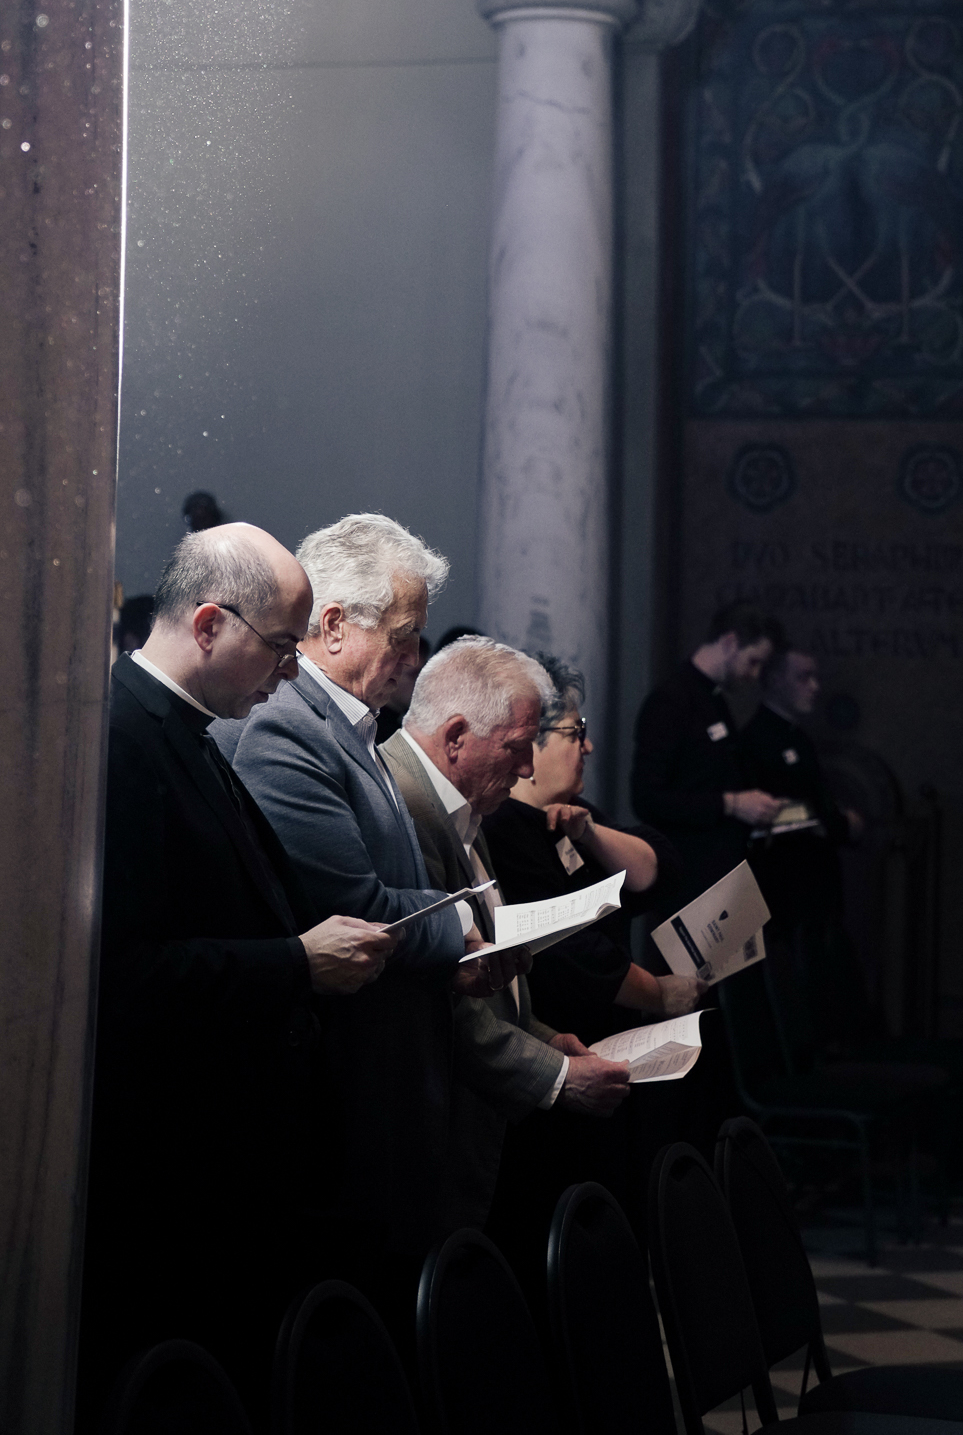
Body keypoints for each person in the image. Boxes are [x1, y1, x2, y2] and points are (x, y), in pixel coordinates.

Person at [81, 525, 394, 1420]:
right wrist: (297, 962)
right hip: (174, 1169)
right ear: (210, 624)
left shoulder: (192, 732)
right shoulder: (121, 736)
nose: (292, 673)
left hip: (234, 1156)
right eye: (283, 647)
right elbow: (125, 976)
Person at [226, 514, 515, 1332]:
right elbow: (353, 907)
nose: (416, 657)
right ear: (332, 625)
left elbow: (396, 891)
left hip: (391, 1095)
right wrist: (461, 931)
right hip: (346, 1104)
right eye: (404, 635)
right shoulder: (286, 727)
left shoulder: (353, 728)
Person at [379, 637, 632, 1222]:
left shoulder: (462, 802)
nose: (526, 769)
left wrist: (543, 1038)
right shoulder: (407, 808)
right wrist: (559, 1075)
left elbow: (488, 979)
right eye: (516, 748)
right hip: (430, 1139)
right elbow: (444, 1000)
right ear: (456, 737)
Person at [485, 656, 699, 1041]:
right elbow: (571, 950)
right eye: (575, 733)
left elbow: (661, 871)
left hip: (610, 1029)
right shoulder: (502, 827)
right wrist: (657, 994)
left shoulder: (573, 811)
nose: (589, 746)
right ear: (529, 743)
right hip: (563, 1040)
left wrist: (591, 835)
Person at [631, 603, 787, 907]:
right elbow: (646, 798)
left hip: (720, 878)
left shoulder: (714, 700)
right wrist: (732, 804)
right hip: (687, 882)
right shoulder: (671, 701)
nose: (754, 675)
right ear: (729, 642)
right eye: (753, 661)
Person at [738, 642, 862, 928]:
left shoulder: (798, 737)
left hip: (811, 881)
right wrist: (840, 823)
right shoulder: (757, 740)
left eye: (815, 677)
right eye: (803, 677)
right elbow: (779, 811)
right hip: (784, 883)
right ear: (775, 680)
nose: (814, 687)